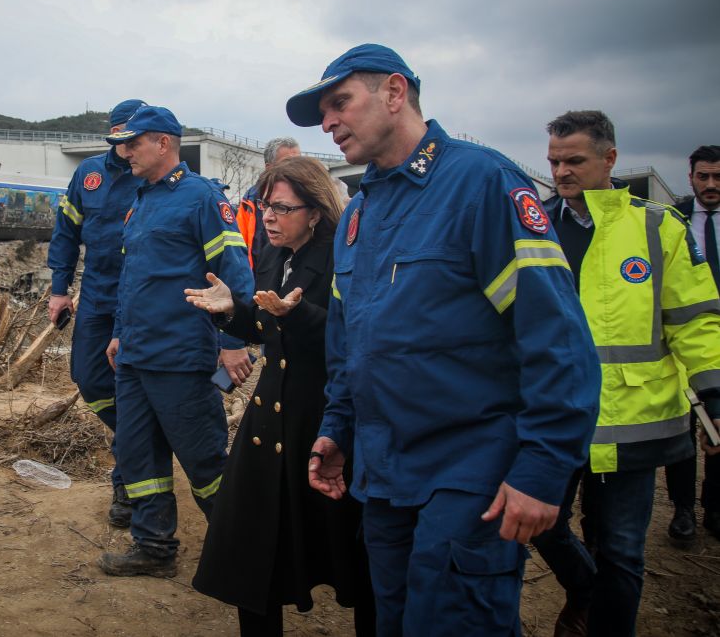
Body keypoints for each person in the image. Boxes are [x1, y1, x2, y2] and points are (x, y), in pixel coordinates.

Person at [288, 44, 602, 636]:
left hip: (470, 470)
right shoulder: (358, 214)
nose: (328, 123)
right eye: (323, 112)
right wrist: (337, 428)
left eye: (339, 103)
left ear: (395, 92)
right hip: (383, 475)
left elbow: (556, 337)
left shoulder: (481, 182)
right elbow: (350, 341)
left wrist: (542, 468)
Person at [534, 113, 720, 637]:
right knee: (542, 524)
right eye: (553, 162)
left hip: (635, 418)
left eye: (574, 160)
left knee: (621, 550)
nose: (561, 172)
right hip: (557, 416)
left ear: (609, 159)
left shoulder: (659, 226)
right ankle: (586, 591)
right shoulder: (536, 227)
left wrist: (715, 392)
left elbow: (695, 319)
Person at [189, 156, 376, 636]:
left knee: (353, 552)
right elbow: (265, 323)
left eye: (281, 208)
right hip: (270, 414)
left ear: (314, 211)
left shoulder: (344, 254)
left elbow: (355, 334)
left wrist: (299, 316)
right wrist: (232, 312)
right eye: (264, 205)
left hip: (326, 415)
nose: (268, 217)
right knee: (248, 540)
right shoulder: (270, 252)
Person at [96, 106, 255, 578]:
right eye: (120, 146)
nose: (123, 154)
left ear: (163, 143)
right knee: (137, 454)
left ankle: (246, 551)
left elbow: (234, 275)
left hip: (181, 356)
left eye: (132, 143)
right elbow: (135, 278)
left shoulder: (202, 198)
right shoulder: (141, 201)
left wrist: (233, 340)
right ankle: (153, 548)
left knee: (205, 460)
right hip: (136, 357)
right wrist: (120, 333)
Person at [46, 98, 147, 527]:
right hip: (96, 298)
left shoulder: (153, 177)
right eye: (121, 137)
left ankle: (127, 481)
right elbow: (66, 231)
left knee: (132, 386)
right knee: (88, 379)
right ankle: (139, 440)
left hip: (140, 304)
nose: (128, 146)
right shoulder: (87, 174)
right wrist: (58, 289)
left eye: (135, 137)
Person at [665, 144, 720, 543]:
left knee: (717, 423)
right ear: (691, 178)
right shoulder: (674, 218)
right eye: (704, 176)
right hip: (689, 327)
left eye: (717, 177)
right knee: (684, 426)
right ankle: (683, 510)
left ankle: (714, 507)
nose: (711, 184)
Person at [236, 137, 301, 269]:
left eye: (298, 162)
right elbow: (240, 246)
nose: (295, 168)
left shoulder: (308, 195)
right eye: (287, 163)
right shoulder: (250, 200)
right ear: (269, 168)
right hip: (260, 277)